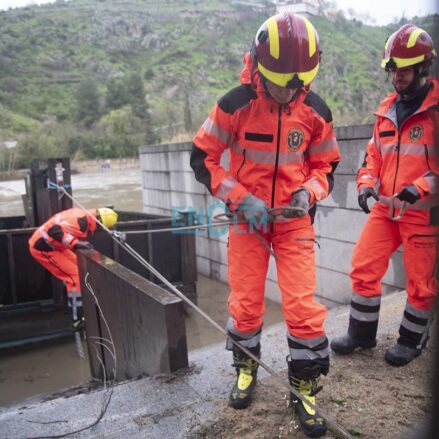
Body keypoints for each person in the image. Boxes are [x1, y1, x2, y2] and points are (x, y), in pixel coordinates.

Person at [191, 12, 340, 438]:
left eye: (295, 82)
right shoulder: (234, 104)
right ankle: (245, 369)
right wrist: (241, 198)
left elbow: (326, 164)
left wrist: (307, 192)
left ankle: (305, 385)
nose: (287, 89)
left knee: (301, 306)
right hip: (247, 220)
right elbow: (202, 158)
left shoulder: (315, 111)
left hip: (294, 222)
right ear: (257, 65)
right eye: (279, 80)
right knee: (246, 302)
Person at [331, 24, 438, 367]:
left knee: (421, 283)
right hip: (387, 208)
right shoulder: (386, 109)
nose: (397, 76)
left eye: (404, 68)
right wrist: (364, 185)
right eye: (392, 69)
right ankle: (361, 335)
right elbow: (373, 155)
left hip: (424, 212)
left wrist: (419, 187)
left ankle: (412, 341)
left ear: (423, 67)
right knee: (363, 266)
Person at [28, 207, 118, 329]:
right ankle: (77, 317)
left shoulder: (83, 216)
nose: (99, 230)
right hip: (44, 248)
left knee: (80, 267)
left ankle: (75, 296)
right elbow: (54, 231)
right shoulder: (81, 222)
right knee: (74, 276)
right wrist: (75, 243)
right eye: (102, 227)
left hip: (56, 246)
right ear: (100, 222)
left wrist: (74, 243)